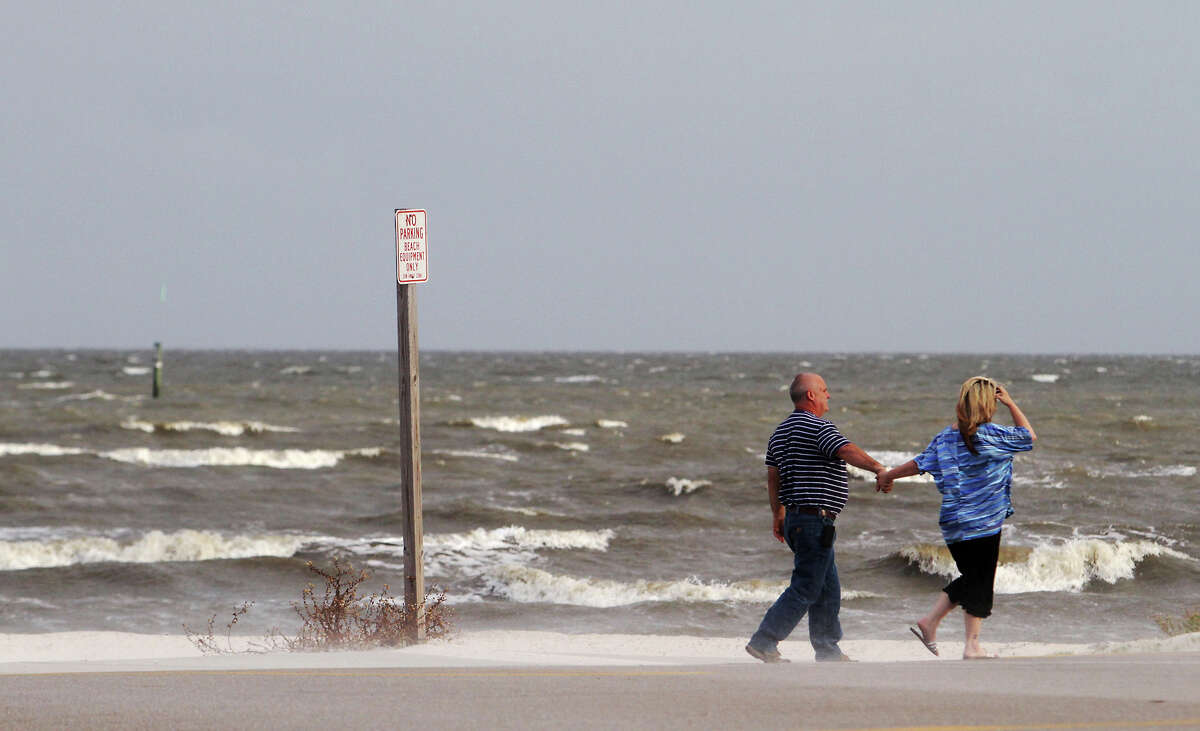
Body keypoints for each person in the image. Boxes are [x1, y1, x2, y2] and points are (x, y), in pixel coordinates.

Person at [875, 376, 1036, 660]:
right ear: (989, 405)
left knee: (973, 578)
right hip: (983, 520)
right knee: (980, 581)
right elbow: (1028, 437)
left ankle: (932, 623)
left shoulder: (946, 437)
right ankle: (970, 645)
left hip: (953, 523)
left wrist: (889, 475)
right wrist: (1010, 402)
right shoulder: (991, 435)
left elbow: (919, 464)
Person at [745, 372, 887, 663]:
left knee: (827, 587)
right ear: (810, 396)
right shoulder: (817, 426)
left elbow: (773, 477)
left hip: (797, 519)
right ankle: (764, 640)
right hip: (814, 520)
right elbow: (846, 450)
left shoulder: (780, 432)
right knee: (808, 585)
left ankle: (827, 649)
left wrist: (778, 513)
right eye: (824, 390)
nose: (828, 395)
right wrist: (878, 468)